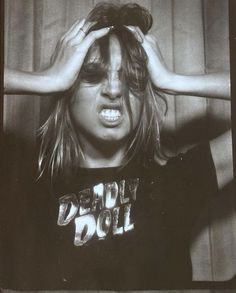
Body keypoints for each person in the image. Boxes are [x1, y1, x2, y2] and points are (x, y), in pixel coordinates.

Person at [2, 2, 233, 290]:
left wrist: (172, 80)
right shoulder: (20, 183)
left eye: (131, 78)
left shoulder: (175, 182)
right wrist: (48, 79)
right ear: (67, 91)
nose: (114, 90)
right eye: (93, 74)